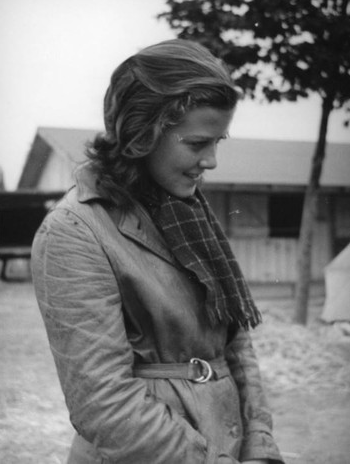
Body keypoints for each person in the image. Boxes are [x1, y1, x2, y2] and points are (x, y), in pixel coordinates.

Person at [31, 39, 285, 464]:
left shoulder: (190, 218)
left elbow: (236, 345)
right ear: (142, 134)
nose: (212, 161)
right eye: (196, 143)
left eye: (218, 140)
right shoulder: (74, 231)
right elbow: (103, 402)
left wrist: (259, 443)